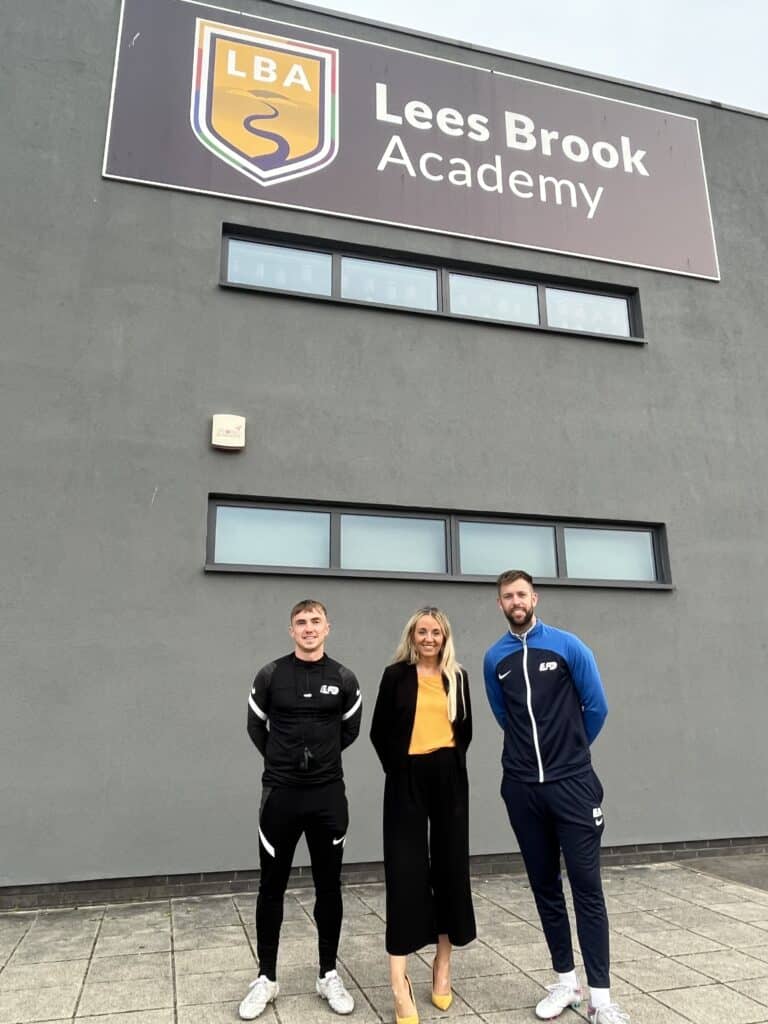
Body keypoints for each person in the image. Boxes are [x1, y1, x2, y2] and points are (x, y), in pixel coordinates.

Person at [483, 570, 629, 1024]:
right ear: (500, 604)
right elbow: (504, 716)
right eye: (508, 596)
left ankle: (601, 999)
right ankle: (566, 981)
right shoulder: (495, 659)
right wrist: (532, 762)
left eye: (522, 594)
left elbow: (597, 706)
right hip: (523, 789)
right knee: (545, 887)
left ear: (535, 598)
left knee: (586, 888)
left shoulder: (568, 646)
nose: (516, 601)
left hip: (573, 786)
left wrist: (569, 753)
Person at [239, 600, 362, 1020]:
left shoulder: (343, 677)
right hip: (281, 796)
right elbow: (256, 725)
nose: (308, 629)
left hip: (327, 796)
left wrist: (321, 760)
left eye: (315, 622)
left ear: (328, 627)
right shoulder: (271, 675)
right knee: (270, 887)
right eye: (300, 623)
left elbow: (350, 728)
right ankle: (266, 978)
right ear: (291, 630)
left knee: (329, 888)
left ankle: (328, 973)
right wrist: (281, 760)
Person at [370, 607, 476, 1024]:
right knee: (405, 871)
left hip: (448, 776)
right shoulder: (395, 675)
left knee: (450, 869)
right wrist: (401, 767)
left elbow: (465, 731)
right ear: (411, 636)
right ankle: (399, 982)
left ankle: (442, 966)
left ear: (445, 636)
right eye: (421, 631)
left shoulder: (458, 677)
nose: (428, 637)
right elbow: (379, 731)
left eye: (435, 632)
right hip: (406, 777)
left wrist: (445, 763)